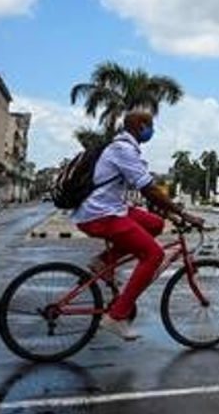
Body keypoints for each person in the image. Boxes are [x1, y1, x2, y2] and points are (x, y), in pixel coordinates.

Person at [71, 109, 204, 341]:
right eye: (150, 126)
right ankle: (116, 316)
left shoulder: (123, 148)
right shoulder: (124, 150)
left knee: (154, 224)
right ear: (140, 126)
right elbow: (149, 189)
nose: (152, 131)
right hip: (100, 214)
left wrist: (169, 215)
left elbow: (146, 193)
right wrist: (182, 212)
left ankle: (104, 261)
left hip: (110, 208)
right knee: (153, 255)